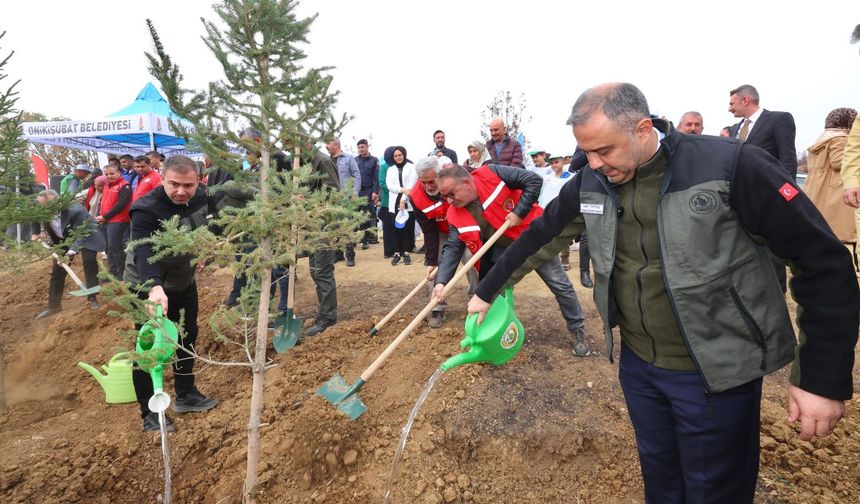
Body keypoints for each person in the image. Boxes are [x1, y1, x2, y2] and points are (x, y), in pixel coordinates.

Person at [468, 82, 859, 503]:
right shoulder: (591, 183)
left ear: (641, 130)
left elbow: (822, 262)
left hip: (717, 370)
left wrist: (821, 377)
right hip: (640, 368)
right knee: (661, 481)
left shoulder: (731, 166)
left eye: (604, 151)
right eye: (587, 153)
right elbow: (539, 236)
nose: (593, 164)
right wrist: (488, 291)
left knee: (714, 489)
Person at [433, 163, 590, 356]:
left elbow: (533, 180)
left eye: (451, 194)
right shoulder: (454, 214)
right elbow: (452, 248)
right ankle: (497, 334)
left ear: (466, 182)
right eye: (444, 196)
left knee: (559, 284)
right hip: (504, 251)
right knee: (492, 291)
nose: (449, 201)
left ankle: (577, 329)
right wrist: (441, 282)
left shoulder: (491, 173)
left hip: (535, 238)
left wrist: (519, 211)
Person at [124, 155, 218, 432]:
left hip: (183, 280)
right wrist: (154, 286)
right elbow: (144, 252)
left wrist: (204, 247)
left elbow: (215, 217)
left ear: (198, 181)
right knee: (149, 347)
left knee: (187, 335)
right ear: (162, 178)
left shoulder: (201, 196)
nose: (181, 191)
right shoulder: (145, 208)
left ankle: (186, 395)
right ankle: (150, 413)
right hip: (146, 285)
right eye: (173, 184)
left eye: (188, 185)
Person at [728, 84, 797, 291]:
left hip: (769, 196)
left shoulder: (779, 119)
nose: (729, 108)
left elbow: (787, 157)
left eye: (732, 103)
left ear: (745, 100)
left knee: (772, 246)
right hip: (740, 197)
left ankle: (776, 291)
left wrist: (787, 195)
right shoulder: (734, 130)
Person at [411, 156, 479, 328]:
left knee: (473, 260)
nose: (428, 186)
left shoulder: (453, 180)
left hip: (465, 227)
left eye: (432, 181)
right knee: (435, 269)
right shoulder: (416, 196)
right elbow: (429, 230)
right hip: (440, 232)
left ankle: (477, 299)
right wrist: (432, 259)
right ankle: (437, 306)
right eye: (424, 182)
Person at [34, 189, 105, 318]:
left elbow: (82, 233)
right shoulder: (41, 206)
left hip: (86, 233)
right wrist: (35, 232)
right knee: (57, 270)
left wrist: (70, 253)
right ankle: (54, 306)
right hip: (64, 238)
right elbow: (33, 215)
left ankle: (92, 298)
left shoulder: (75, 210)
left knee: (89, 262)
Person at [803, 108, 858, 258]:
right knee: (843, 240)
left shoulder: (820, 141)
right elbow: (839, 161)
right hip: (835, 197)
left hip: (818, 194)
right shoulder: (841, 139)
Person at [326, 138, 361, 266]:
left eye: (328, 143)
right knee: (334, 226)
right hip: (331, 199)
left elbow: (356, 175)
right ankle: (338, 254)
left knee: (346, 226)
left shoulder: (348, 158)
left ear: (336, 145)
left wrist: (354, 192)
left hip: (345, 198)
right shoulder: (327, 160)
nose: (326, 146)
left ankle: (350, 255)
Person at [98, 164, 131, 279]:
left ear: (119, 173)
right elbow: (103, 202)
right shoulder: (107, 185)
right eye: (106, 174)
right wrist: (101, 215)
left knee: (115, 247)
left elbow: (120, 205)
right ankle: (112, 273)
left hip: (118, 220)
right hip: (106, 220)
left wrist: (105, 216)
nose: (109, 176)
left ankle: (122, 275)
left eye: (112, 173)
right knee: (108, 247)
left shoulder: (125, 186)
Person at [385, 146, 417, 265]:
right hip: (394, 202)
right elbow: (389, 185)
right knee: (396, 228)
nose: (398, 157)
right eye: (395, 156)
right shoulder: (391, 169)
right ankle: (397, 253)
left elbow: (412, 184)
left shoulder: (411, 167)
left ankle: (406, 253)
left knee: (407, 228)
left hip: (407, 201)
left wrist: (403, 199)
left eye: (400, 155)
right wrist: (402, 190)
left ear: (404, 155)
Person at [355, 139, 380, 249]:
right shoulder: (354, 160)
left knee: (366, 215)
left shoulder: (374, 160)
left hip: (368, 191)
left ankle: (366, 239)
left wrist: (375, 191)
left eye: (362, 147)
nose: (361, 149)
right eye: (359, 147)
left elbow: (376, 177)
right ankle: (356, 238)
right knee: (355, 214)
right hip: (356, 191)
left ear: (367, 147)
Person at [378, 147, 397, 259]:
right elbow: (382, 183)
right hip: (387, 201)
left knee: (397, 227)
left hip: (398, 201)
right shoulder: (384, 167)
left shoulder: (399, 166)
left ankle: (397, 249)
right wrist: (395, 190)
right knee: (388, 228)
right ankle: (388, 251)